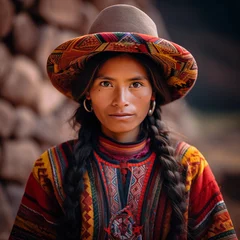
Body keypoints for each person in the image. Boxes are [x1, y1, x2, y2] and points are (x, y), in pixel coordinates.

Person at [9, 4, 237, 240]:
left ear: (154, 94)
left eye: (136, 84)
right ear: (88, 92)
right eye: (106, 83)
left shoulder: (190, 167)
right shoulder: (51, 169)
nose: (121, 100)